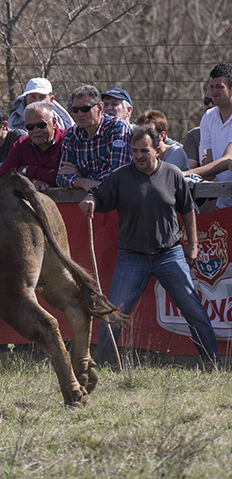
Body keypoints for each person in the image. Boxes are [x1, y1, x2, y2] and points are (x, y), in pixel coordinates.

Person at [80, 125, 218, 364]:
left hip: (170, 254)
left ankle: (212, 361)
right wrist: (90, 199)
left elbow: (187, 209)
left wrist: (192, 244)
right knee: (113, 313)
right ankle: (102, 363)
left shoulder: (173, 174)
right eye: (134, 151)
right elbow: (98, 195)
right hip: (131, 256)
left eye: (144, 150)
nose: (139, 156)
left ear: (157, 150)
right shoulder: (120, 176)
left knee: (194, 310)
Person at [55, 85, 132, 191]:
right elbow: (61, 177)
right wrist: (82, 182)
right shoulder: (72, 134)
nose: (79, 114)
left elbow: (117, 173)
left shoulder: (117, 128)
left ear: (100, 107)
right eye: (75, 110)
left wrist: (81, 177)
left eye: (85, 109)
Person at [0, 101, 66, 190]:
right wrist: (31, 181)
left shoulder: (68, 140)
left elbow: (66, 178)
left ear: (54, 122)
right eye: (30, 127)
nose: (36, 130)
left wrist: (28, 170)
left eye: (41, 125)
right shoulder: (20, 146)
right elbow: (1, 180)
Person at [198, 63, 232, 208]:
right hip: (222, 205)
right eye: (211, 87)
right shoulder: (208, 118)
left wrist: (182, 174)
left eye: (219, 87)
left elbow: (227, 160)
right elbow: (210, 164)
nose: (214, 91)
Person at [8, 77, 74, 131]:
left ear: (51, 100)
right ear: (25, 99)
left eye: (42, 97)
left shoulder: (63, 123)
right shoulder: (14, 121)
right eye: (33, 97)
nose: (37, 101)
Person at [183, 91, 213, 165]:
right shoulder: (194, 135)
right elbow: (190, 167)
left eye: (214, 102)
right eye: (206, 102)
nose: (210, 105)